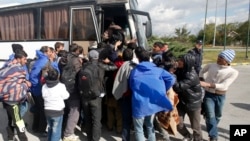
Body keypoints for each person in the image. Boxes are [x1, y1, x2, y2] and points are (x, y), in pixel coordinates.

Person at [129, 47, 175, 141]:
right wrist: (163, 89)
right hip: (153, 103)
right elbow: (171, 79)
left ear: (138, 58)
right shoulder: (158, 70)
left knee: (139, 129)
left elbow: (131, 85)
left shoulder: (135, 71)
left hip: (139, 104)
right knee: (150, 125)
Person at [199, 49, 239, 141]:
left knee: (218, 115)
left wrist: (208, 84)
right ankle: (213, 136)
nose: (218, 58)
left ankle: (211, 126)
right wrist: (201, 78)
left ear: (227, 60)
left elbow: (224, 85)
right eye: (219, 56)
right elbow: (202, 71)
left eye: (221, 57)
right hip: (208, 94)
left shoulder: (233, 72)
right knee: (210, 115)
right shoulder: (211, 65)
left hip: (220, 96)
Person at [79, 50, 117, 141]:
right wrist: (109, 61)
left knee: (88, 118)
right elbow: (114, 67)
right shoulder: (101, 66)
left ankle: (89, 137)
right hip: (96, 96)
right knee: (96, 120)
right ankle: (95, 138)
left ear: (89, 57)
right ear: (98, 57)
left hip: (84, 95)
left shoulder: (84, 66)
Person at [1, 50, 31, 141]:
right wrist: (26, 85)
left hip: (5, 99)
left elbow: (10, 82)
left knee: (11, 119)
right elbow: (17, 87)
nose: (26, 61)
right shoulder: (18, 70)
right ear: (18, 59)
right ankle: (23, 139)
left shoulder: (7, 65)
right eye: (24, 59)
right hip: (13, 102)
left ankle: (10, 137)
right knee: (19, 121)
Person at [173, 53, 203, 141]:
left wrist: (172, 75)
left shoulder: (191, 76)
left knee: (196, 127)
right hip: (182, 102)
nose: (179, 62)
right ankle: (187, 136)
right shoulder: (180, 70)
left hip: (193, 104)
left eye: (181, 61)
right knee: (178, 122)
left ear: (187, 63)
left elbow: (178, 87)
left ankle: (198, 139)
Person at [29, 46, 57, 136]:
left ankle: (35, 128)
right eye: (49, 51)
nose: (51, 53)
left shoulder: (40, 59)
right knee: (43, 110)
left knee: (38, 109)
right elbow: (45, 76)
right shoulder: (45, 61)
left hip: (35, 87)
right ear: (46, 52)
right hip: (39, 88)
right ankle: (41, 130)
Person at [112, 48, 137, 141]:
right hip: (134, 96)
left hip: (124, 96)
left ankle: (125, 138)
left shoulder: (120, 66)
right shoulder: (135, 66)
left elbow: (117, 81)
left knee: (125, 120)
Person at [42, 68, 69, 141]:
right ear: (58, 76)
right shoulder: (61, 86)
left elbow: (43, 96)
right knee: (56, 130)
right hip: (57, 111)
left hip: (47, 110)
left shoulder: (44, 86)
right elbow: (66, 96)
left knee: (50, 127)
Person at [62, 44, 82, 141]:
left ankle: (64, 130)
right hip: (72, 87)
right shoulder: (75, 60)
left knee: (66, 110)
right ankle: (68, 133)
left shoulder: (64, 57)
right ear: (77, 50)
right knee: (74, 111)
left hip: (63, 86)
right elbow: (79, 73)